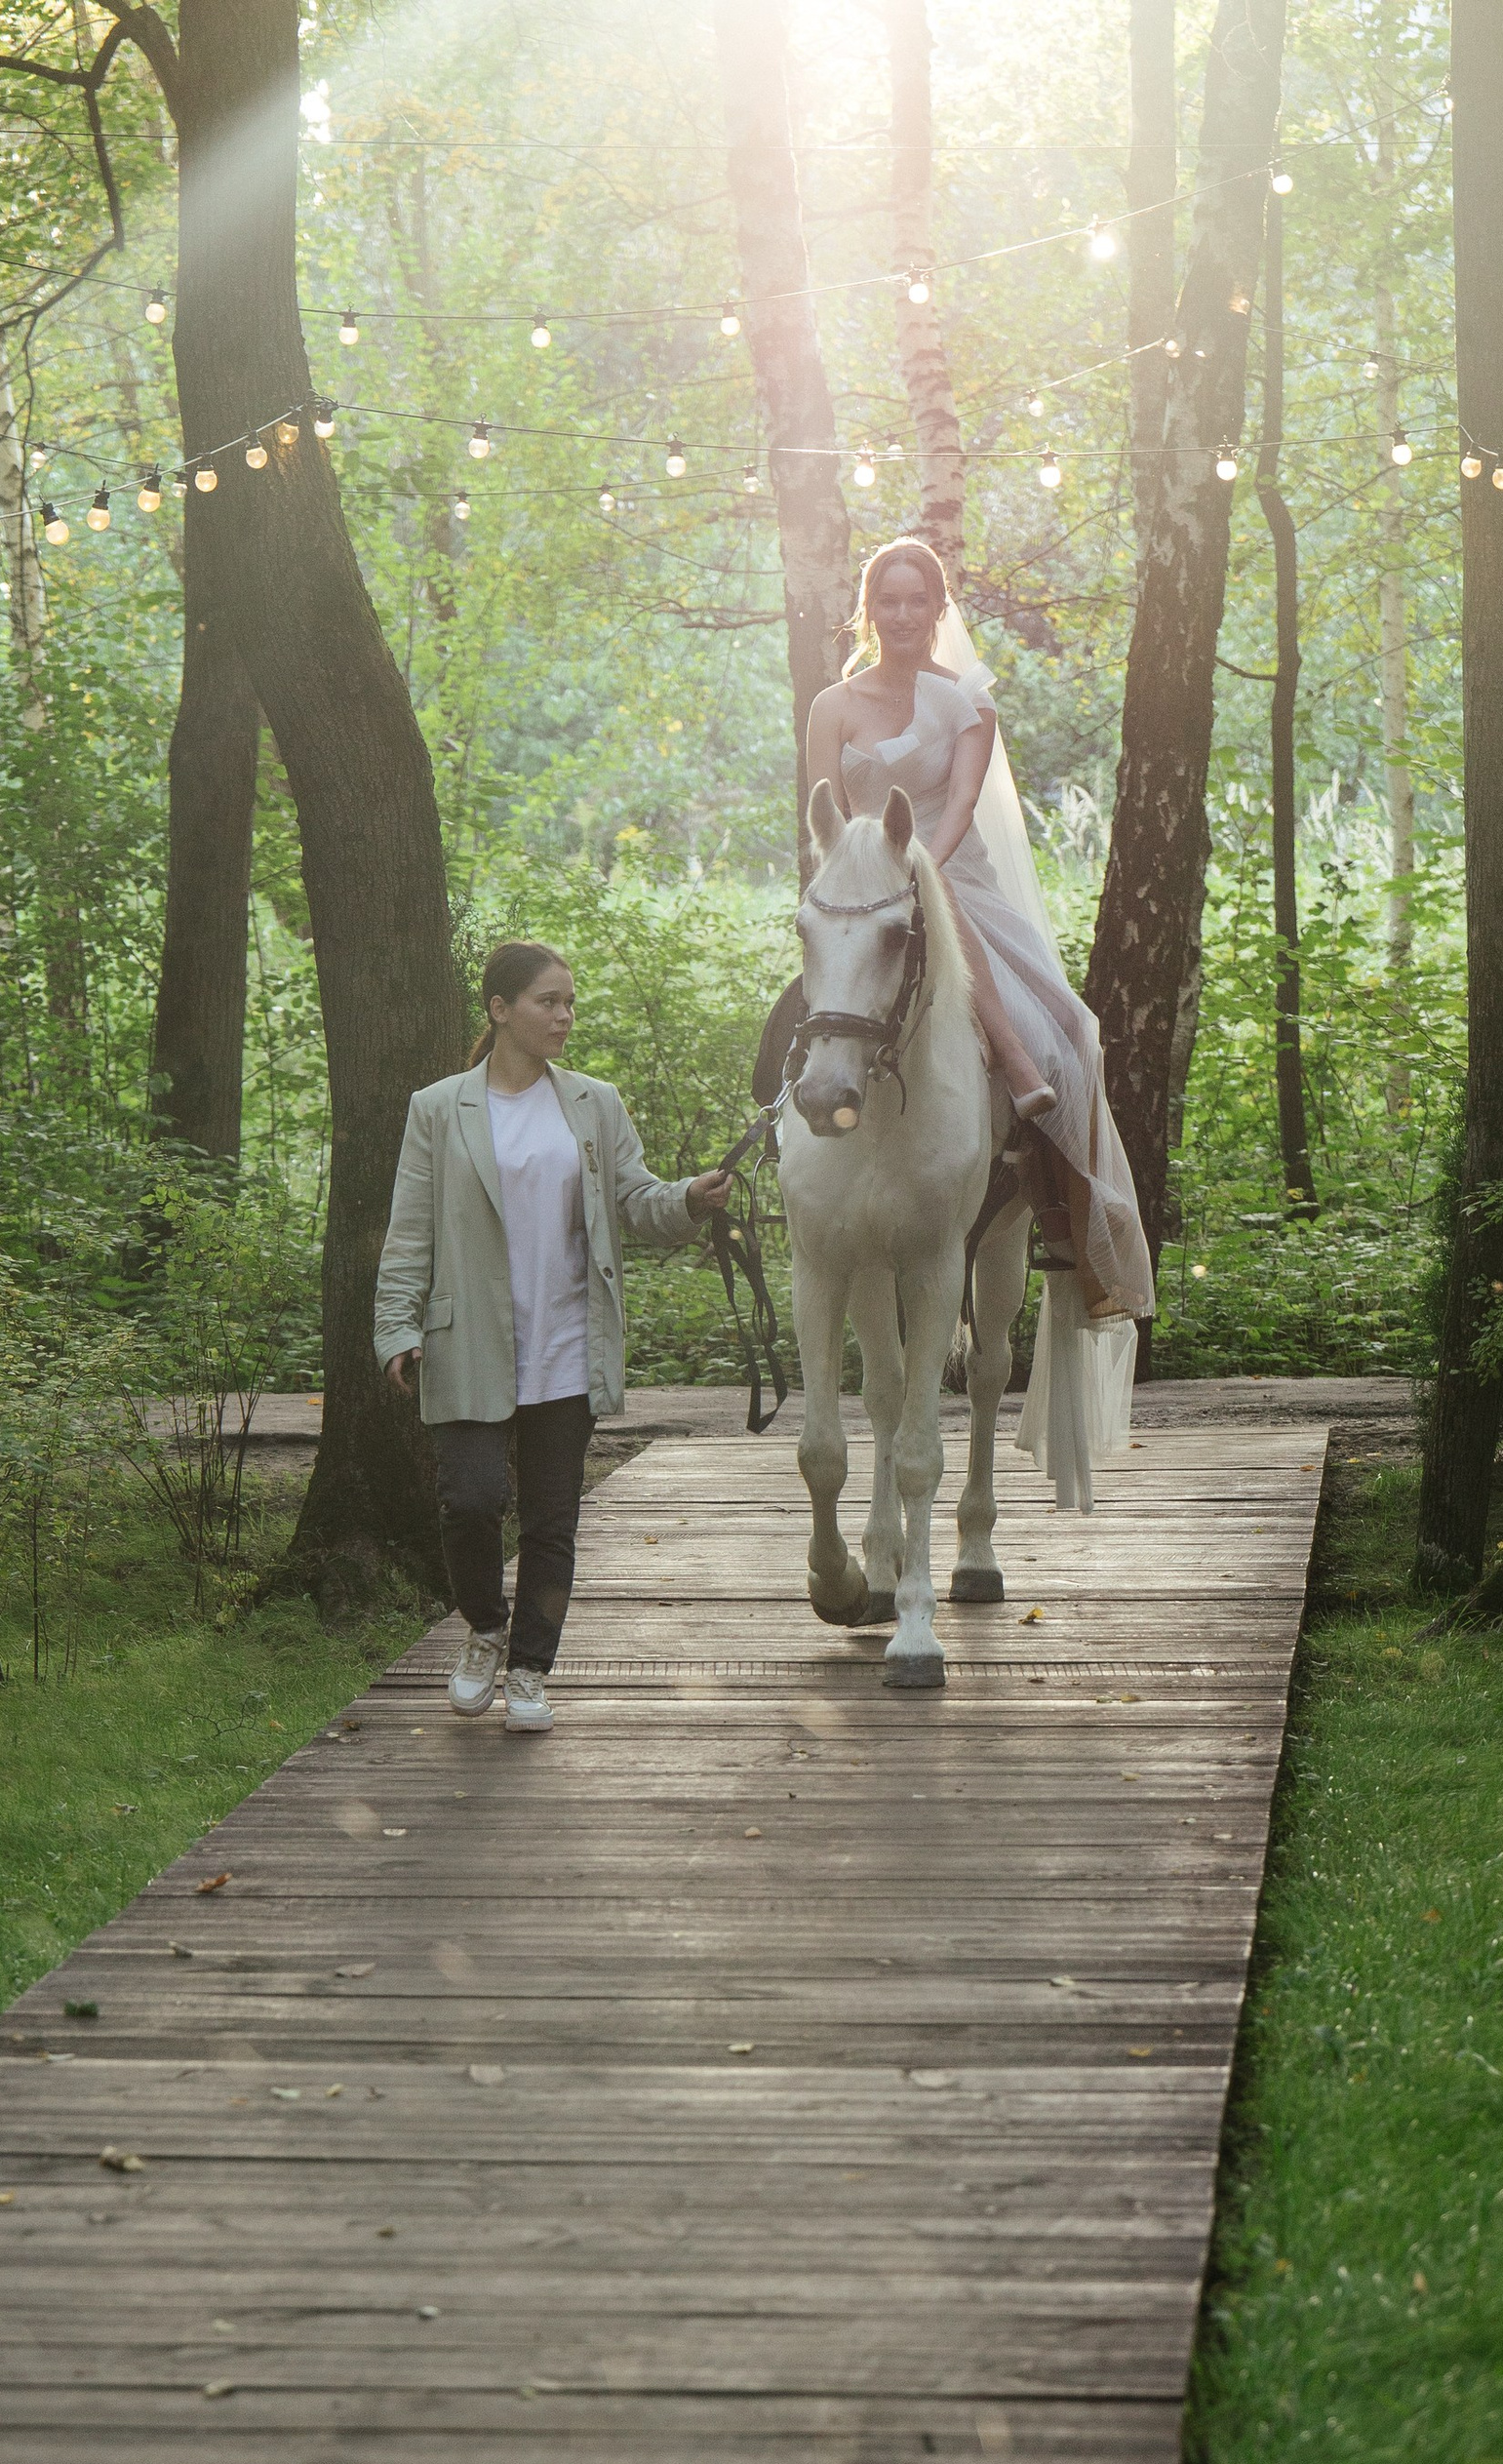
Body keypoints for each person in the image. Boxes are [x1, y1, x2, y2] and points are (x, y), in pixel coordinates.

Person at [802, 536, 1156, 1446]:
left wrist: (919, 867)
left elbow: (956, 807)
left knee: (1072, 1031)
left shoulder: (968, 703)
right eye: (891, 600)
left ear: (938, 608)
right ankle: (786, 1142)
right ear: (869, 608)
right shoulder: (832, 706)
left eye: (920, 600)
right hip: (859, 896)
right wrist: (848, 885)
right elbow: (815, 815)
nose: (906, 615)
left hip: (954, 876)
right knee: (813, 1006)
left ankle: (1066, 1215)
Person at [375, 943, 732, 1732]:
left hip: (569, 1342)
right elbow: (409, 1234)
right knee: (469, 1503)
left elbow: (636, 1201)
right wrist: (396, 1327)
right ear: (500, 1010)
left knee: (550, 1523)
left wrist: (690, 1200)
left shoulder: (595, 1104)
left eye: (570, 1001)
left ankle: (531, 1669)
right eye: (548, 1001)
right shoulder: (438, 1108)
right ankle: (484, 1631)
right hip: (467, 1338)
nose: (565, 1015)